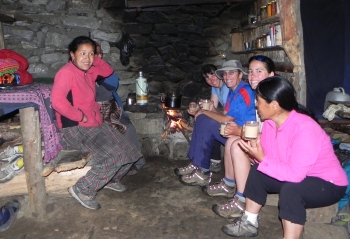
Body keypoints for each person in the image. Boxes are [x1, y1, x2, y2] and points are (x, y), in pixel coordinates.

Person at [221, 76, 348, 238]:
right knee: (258, 171)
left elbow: (294, 175)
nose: (256, 105)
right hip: (299, 174)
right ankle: (249, 222)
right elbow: (271, 161)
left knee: (291, 191)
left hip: (328, 183)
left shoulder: (305, 129)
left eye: (259, 100)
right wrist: (255, 154)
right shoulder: (270, 123)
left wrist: (262, 158)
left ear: (274, 105)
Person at [51, 36, 142, 210]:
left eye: (91, 54)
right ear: (72, 55)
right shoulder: (66, 73)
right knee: (113, 157)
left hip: (94, 123)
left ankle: (109, 180)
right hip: (76, 128)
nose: (87, 57)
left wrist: (96, 60)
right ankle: (83, 189)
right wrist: (79, 116)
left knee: (132, 152)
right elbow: (57, 101)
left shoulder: (89, 71)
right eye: (83, 53)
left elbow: (108, 71)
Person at [204, 55, 276, 219]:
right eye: (251, 71)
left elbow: (273, 137)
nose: (253, 75)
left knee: (236, 145)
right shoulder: (259, 94)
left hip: (274, 152)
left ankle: (242, 198)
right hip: (261, 139)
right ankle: (230, 185)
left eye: (259, 71)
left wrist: (241, 132)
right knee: (232, 141)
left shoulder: (271, 97)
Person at [174, 60, 256, 186]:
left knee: (204, 121)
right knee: (203, 119)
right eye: (225, 74)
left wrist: (202, 112)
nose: (227, 77)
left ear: (240, 75)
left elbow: (226, 119)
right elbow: (224, 114)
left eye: (231, 73)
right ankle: (198, 164)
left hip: (243, 134)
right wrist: (208, 111)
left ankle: (202, 170)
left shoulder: (243, 91)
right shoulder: (234, 90)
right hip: (232, 129)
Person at [94, 42, 145, 175]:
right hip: (94, 110)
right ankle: (114, 167)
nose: (98, 55)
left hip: (111, 107)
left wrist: (100, 77)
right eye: (95, 52)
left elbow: (113, 84)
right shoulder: (82, 70)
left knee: (129, 128)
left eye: (100, 53)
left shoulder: (105, 68)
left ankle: (135, 163)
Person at [201, 64, 230, 173]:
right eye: (207, 78)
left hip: (233, 121)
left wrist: (208, 110)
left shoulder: (228, 87)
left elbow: (228, 115)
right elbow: (213, 106)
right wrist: (201, 109)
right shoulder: (215, 88)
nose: (211, 80)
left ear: (220, 74)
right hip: (227, 118)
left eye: (213, 75)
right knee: (205, 119)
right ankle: (210, 160)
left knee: (209, 123)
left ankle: (212, 161)